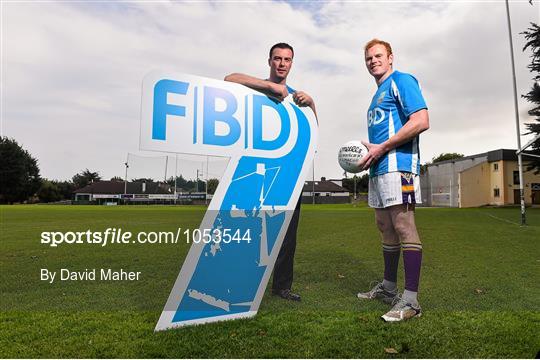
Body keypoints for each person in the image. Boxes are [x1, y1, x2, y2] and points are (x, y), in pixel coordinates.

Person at [224, 43, 316, 301]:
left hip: (289, 173)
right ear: (269, 61)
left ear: (292, 63)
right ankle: (241, 283)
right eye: (277, 58)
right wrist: (269, 87)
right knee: (250, 228)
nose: (282, 64)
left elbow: (313, 129)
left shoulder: (296, 97)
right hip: (259, 170)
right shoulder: (257, 87)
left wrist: (312, 102)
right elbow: (228, 79)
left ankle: (282, 287)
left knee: (288, 234)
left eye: (287, 59)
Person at [356, 39, 429, 322]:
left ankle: (411, 302)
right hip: (379, 169)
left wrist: (383, 147)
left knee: (403, 226)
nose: (373, 60)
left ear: (390, 58)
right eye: (368, 57)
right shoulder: (377, 94)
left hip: (400, 167)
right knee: (384, 226)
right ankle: (388, 288)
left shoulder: (402, 80)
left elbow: (421, 120)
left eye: (378, 56)